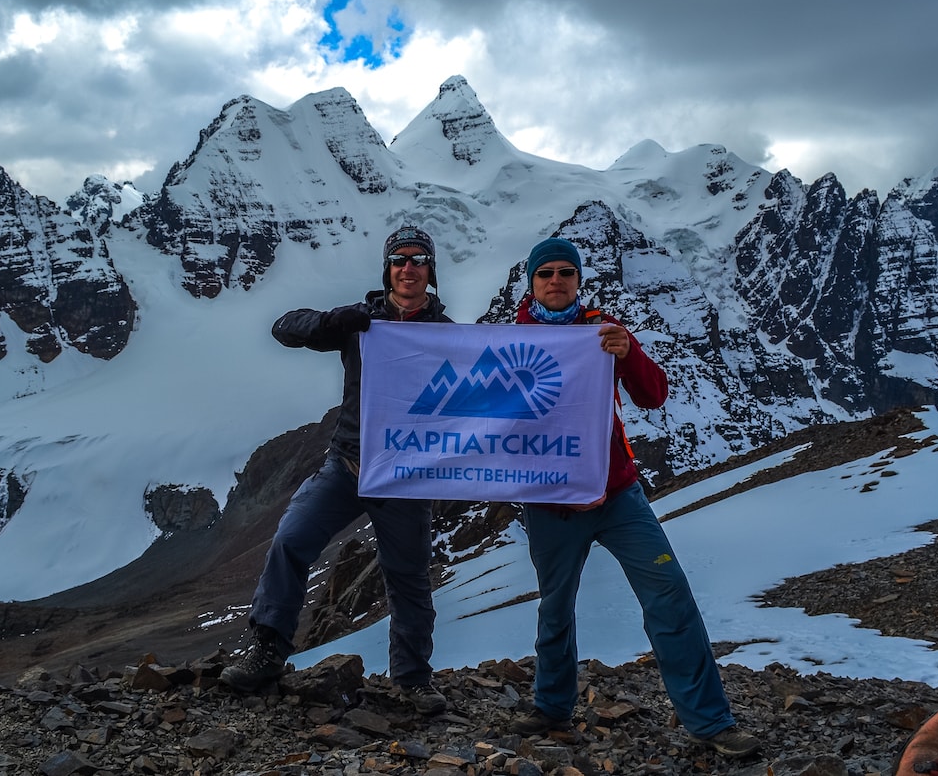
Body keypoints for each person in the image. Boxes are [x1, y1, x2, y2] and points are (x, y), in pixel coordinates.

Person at [508, 236, 762, 759]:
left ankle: (710, 721)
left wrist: (628, 353)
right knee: (555, 607)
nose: (555, 281)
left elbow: (653, 394)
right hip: (551, 502)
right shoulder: (510, 341)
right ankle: (551, 707)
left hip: (618, 492)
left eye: (565, 272)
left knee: (668, 591)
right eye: (545, 274)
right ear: (530, 283)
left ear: (579, 280)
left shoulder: (604, 332)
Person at [220, 226, 452, 716]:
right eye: (398, 260)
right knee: (291, 539)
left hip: (405, 476)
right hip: (347, 464)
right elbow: (285, 326)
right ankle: (267, 651)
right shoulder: (360, 322)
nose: (407, 268)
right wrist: (332, 321)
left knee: (408, 578)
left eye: (418, 260)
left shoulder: (448, 334)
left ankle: (412, 679)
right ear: (387, 270)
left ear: (431, 272)